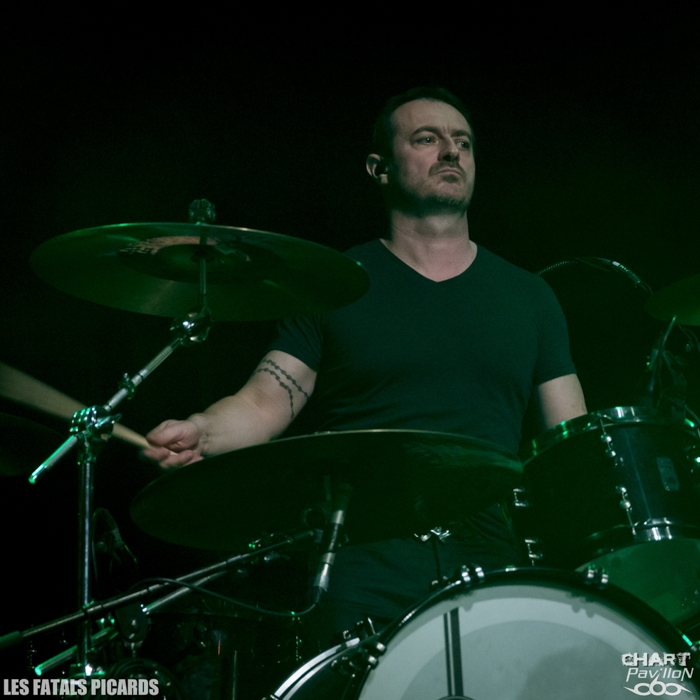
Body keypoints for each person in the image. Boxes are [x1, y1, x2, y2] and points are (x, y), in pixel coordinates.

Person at [145, 86, 587, 650]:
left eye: (463, 142)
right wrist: (202, 431)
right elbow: (263, 401)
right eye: (426, 139)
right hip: (363, 564)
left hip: (491, 562)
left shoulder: (530, 297)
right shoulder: (335, 286)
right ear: (379, 168)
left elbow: (573, 442)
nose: (451, 152)